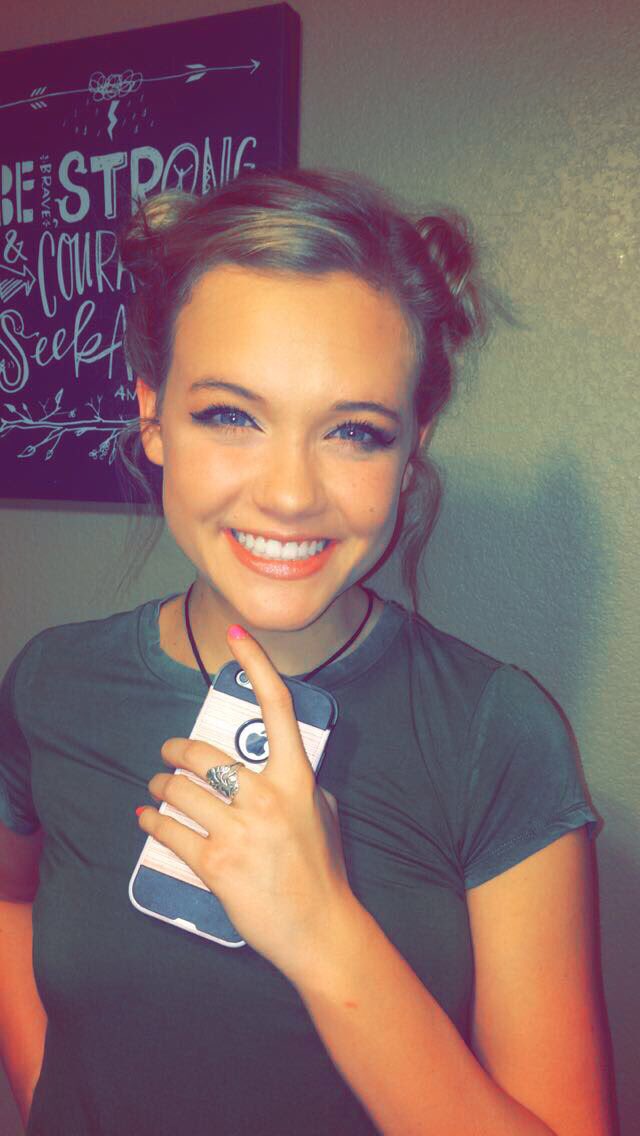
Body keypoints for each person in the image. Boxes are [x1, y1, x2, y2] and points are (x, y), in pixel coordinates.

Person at [0, 169, 617, 1136]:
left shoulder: (497, 733)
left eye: (354, 433)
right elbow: (9, 901)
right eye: (230, 415)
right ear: (153, 417)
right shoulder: (52, 682)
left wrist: (320, 929)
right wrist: (51, 1093)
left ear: (410, 453)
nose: (290, 496)